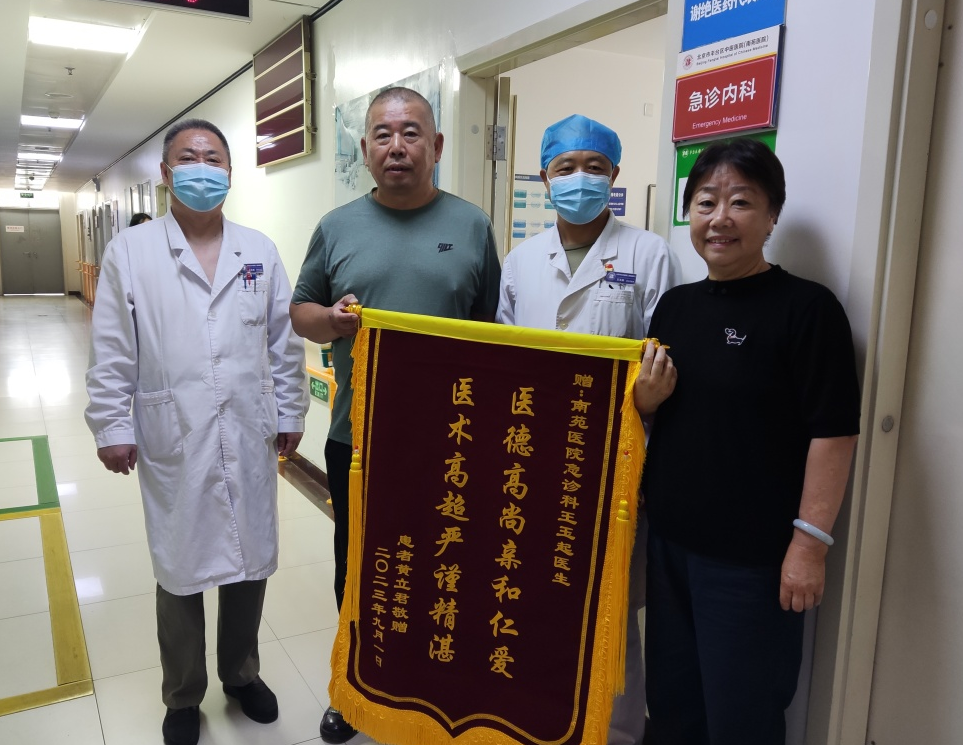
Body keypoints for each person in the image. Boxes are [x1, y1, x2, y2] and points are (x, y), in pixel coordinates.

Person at [85, 118, 308, 745]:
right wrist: (111, 423)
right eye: (188, 158)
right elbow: (112, 348)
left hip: (248, 427)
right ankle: (183, 694)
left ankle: (241, 675)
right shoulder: (131, 252)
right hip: (173, 430)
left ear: (230, 173)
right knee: (179, 567)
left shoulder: (258, 249)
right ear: (166, 173)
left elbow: (283, 342)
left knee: (249, 559)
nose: (202, 168)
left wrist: (290, 412)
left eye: (214, 158)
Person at [289, 86, 501, 744]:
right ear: (365, 149)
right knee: (358, 567)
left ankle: (429, 686)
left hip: (450, 442)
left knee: (443, 564)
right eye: (383, 134)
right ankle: (352, 688)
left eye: (411, 133)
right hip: (358, 438)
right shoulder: (336, 227)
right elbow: (300, 310)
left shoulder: (472, 226)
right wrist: (331, 320)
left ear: (436, 145)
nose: (397, 146)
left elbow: (489, 328)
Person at [633, 138, 861, 745]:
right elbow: (662, 414)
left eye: (741, 202)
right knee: (673, 707)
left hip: (750, 563)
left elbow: (834, 433)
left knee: (742, 718)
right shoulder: (675, 308)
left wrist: (809, 545)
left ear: (772, 215)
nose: (720, 218)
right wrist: (645, 402)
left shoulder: (807, 310)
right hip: (671, 548)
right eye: (706, 202)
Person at [496, 113, 677, 745]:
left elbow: (665, 365)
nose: (580, 178)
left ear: (615, 175)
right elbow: (506, 361)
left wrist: (648, 457)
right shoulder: (521, 261)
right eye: (566, 167)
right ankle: (540, 718)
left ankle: (617, 732)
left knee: (610, 608)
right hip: (534, 458)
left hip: (615, 463)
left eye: (594, 167)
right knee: (535, 594)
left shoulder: (648, 253)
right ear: (545, 177)